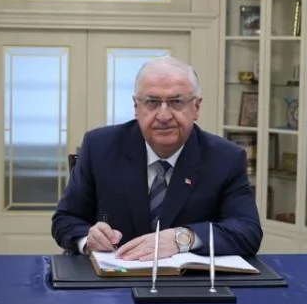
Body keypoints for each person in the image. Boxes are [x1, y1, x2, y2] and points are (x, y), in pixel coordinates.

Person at [52, 56, 263, 259]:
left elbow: (248, 231)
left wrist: (183, 238)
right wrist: (88, 240)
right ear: (136, 107)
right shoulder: (100, 147)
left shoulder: (226, 158)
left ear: (196, 107)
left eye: (177, 102)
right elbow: (66, 219)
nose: (164, 116)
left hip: (189, 280)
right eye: (152, 102)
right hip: (113, 277)